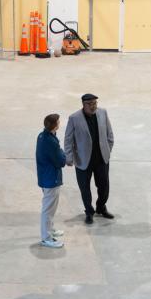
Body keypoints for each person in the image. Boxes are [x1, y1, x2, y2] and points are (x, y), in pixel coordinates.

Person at [64, 93, 114, 225]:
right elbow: (68, 139)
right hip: (83, 160)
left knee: (104, 186)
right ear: (83, 104)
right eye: (90, 104)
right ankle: (89, 211)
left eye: (95, 103)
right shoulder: (74, 118)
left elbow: (110, 134)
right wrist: (69, 156)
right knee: (85, 188)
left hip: (101, 159)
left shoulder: (103, 113)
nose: (93, 106)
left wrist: (108, 150)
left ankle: (101, 207)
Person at [36, 113, 67, 248]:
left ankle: (50, 229)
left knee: (51, 208)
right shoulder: (51, 142)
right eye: (59, 122)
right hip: (51, 179)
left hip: (45, 177)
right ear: (55, 125)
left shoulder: (42, 136)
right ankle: (46, 238)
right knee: (48, 210)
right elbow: (61, 161)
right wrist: (63, 154)